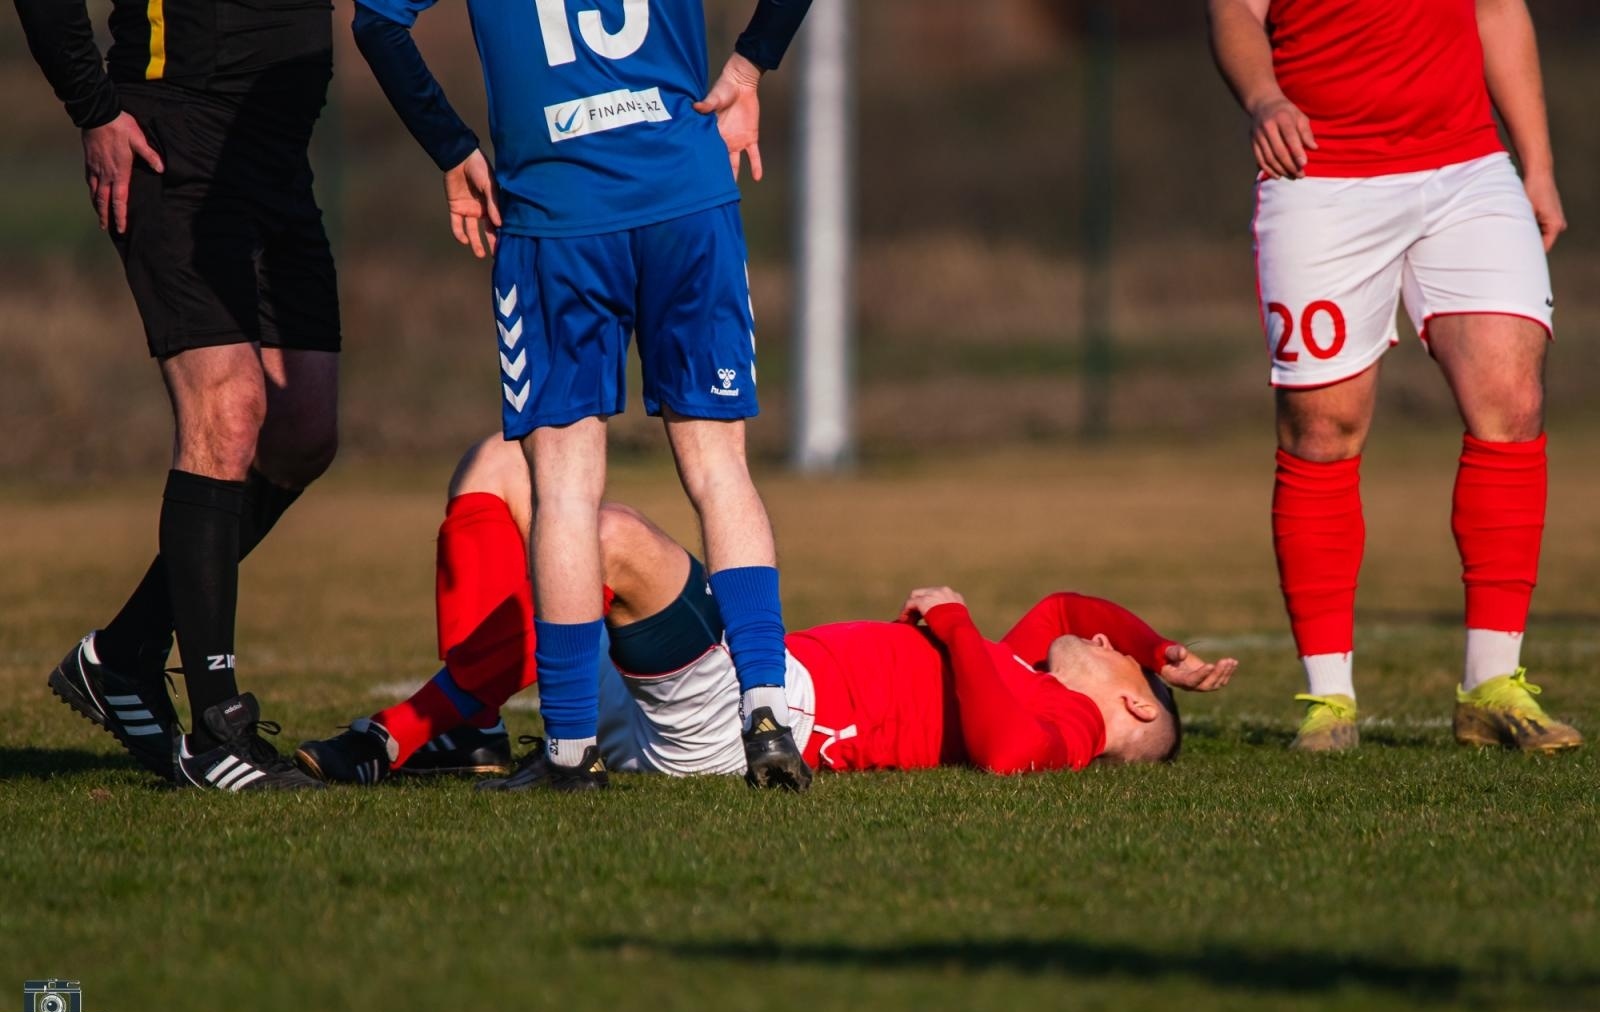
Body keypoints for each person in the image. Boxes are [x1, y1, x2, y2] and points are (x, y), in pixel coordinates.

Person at [351, 0, 816, 790]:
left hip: (557, 215)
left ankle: (570, 752)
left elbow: (375, 22)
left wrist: (452, 148)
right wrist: (747, 68)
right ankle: (764, 711)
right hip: (685, 193)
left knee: (565, 488)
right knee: (719, 467)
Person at [293, 437, 1239, 785]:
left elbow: (1004, 754)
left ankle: (399, 732)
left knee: (612, 538)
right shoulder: (1032, 668)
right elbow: (1069, 603)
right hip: (705, 703)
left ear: (1136, 708)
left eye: (1126, 659)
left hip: (747, 721)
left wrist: (952, 624)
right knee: (499, 467)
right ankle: (476, 719)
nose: (1105, 638)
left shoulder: (1066, 718)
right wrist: (1160, 644)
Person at [1207, 0, 1582, 752]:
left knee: (1513, 400)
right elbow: (1235, 12)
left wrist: (1536, 165)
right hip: (1321, 176)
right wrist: (1265, 98)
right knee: (1324, 428)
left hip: (1468, 168)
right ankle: (1329, 702)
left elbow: (1499, 10)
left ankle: (1492, 686)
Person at [15, 0, 342, 789]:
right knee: (227, 410)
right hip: (173, 133)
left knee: (303, 431)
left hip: (278, 153)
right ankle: (216, 732)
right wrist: (93, 108)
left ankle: (123, 656)